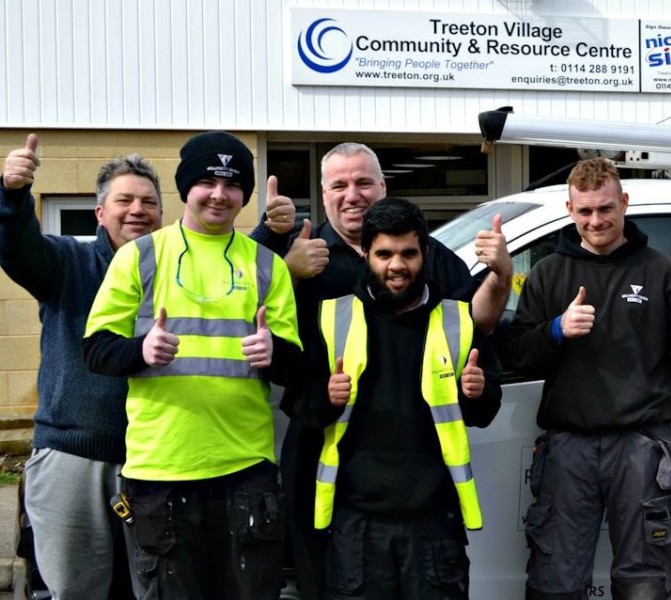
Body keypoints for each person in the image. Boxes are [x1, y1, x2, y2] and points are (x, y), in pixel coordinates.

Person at [251, 141, 513, 599]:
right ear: (323, 193)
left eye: (363, 182)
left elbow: (476, 325)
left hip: (423, 494)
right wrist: (284, 271)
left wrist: (502, 274)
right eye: (339, 185)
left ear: (383, 186)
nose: (352, 194)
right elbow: (253, 331)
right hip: (326, 473)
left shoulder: (433, 257)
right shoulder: (301, 253)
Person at [83, 131, 303, 600]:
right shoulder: (138, 257)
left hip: (246, 471)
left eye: (232, 185)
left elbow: (295, 368)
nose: (219, 195)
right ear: (186, 188)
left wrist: (275, 355)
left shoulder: (269, 266)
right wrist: (141, 350)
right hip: (161, 473)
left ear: (244, 195)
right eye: (207, 182)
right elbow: (96, 350)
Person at [508, 157, 671, 600]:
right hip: (569, 445)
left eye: (606, 208)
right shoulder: (549, 273)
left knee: (643, 583)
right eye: (585, 211)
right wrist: (556, 330)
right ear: (569, 209)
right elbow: (521, 357)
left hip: (644, 445)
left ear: (624, 202)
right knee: (555, 581)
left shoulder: (661, 272)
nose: (596, 220)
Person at [297, 196, 502, 599]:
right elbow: (299, 406)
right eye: (384, 254)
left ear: (425, 252)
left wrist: (477, 393)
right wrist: (325, 396)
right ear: (365, 254)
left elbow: (483, 411)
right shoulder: (330, 317)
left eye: (408, 253)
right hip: (357, 523)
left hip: (433, 524)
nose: (396, 265)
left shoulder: (458, 320)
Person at [0, 134, 162, 600]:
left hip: (155, 460)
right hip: (73, 459)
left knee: (153, 588)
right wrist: (12, 196)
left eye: (149, 202)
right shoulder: (66, 261)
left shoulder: (174, 271)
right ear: (99, 213)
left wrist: (274, 241)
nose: (137, 210)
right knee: (74, 589)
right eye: (124, 200)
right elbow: (17, 248)